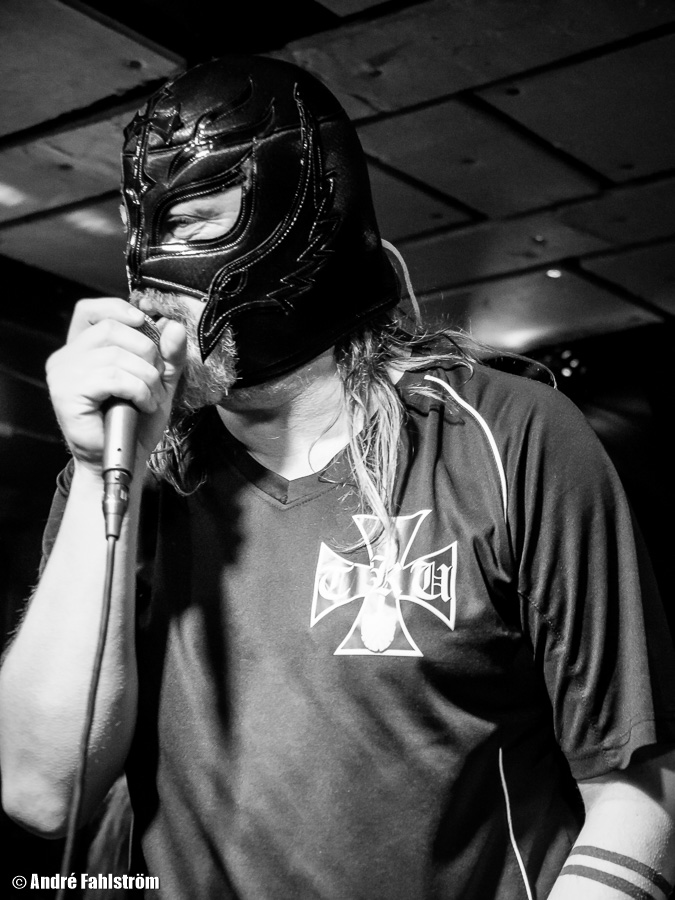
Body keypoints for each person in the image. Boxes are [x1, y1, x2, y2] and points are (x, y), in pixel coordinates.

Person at [1, 54, 675, 900]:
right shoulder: (127, 474)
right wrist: (102, 467)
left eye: (197, 223)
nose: (151, 273)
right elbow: (40, 791)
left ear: (309, 218)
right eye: (141, 231)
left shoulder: (508, 436)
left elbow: (638, 793)